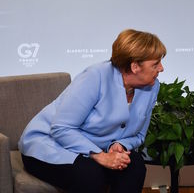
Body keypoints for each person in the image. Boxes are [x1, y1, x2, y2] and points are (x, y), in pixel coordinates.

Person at [19, 29, 166, 193]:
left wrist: (119, 144)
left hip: (97, 149)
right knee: (90, 175)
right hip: (49, 145)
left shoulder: (152, 88)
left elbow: (138, 135)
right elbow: (61, 128)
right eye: (155, 64)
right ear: (134, 66)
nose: (161, 68)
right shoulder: (95, 77)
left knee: (135, 165)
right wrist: (100, 156)